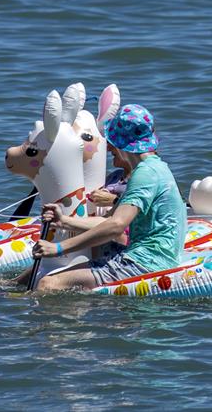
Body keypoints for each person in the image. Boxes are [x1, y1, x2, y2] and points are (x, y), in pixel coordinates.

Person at [31, 104, 187, 291]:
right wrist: (64, 221)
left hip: (146, 262)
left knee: (49, 283)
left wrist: (58, 248)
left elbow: (116, 226)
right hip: (154, 258)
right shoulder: (157, 167)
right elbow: (107, 221)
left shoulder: (145, 173)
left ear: (123, 144)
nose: (109, 147)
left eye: (112, 142)